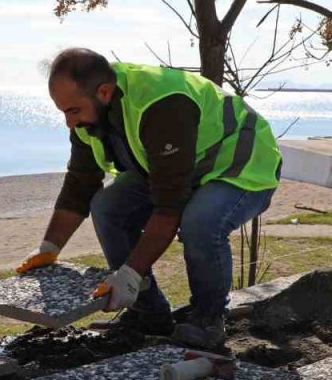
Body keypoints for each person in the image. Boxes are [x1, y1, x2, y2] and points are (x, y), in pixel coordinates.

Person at [16, 48, 281, 349]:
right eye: (62, 111)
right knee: (107, 207)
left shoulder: (162, 104)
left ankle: (208, 320)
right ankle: (149, 314)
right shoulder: (88, 114)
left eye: (73, 111)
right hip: (181, 168)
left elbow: (170, 206)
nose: (68, 122)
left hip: (240, 165)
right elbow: (80, 183)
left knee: (200, 223)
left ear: (104, 92)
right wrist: (49, 248)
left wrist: (130, 272)